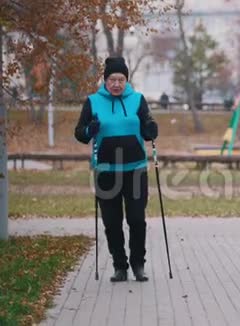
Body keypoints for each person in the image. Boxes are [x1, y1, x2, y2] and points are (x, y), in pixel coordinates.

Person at [74, 57, 158, 282]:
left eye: (121, 79)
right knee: (111, 222)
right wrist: (89, 130)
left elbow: (148, 129)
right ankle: (120, 266)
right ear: (105, 80)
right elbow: (80, 133)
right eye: (112, 79)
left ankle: (138, 265)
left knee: (136, 219)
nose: (117, 84)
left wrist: (151, 129)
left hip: (135, 170)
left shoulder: (138, 100)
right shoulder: (92, 102)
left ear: (127, 80)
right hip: (105, 171)